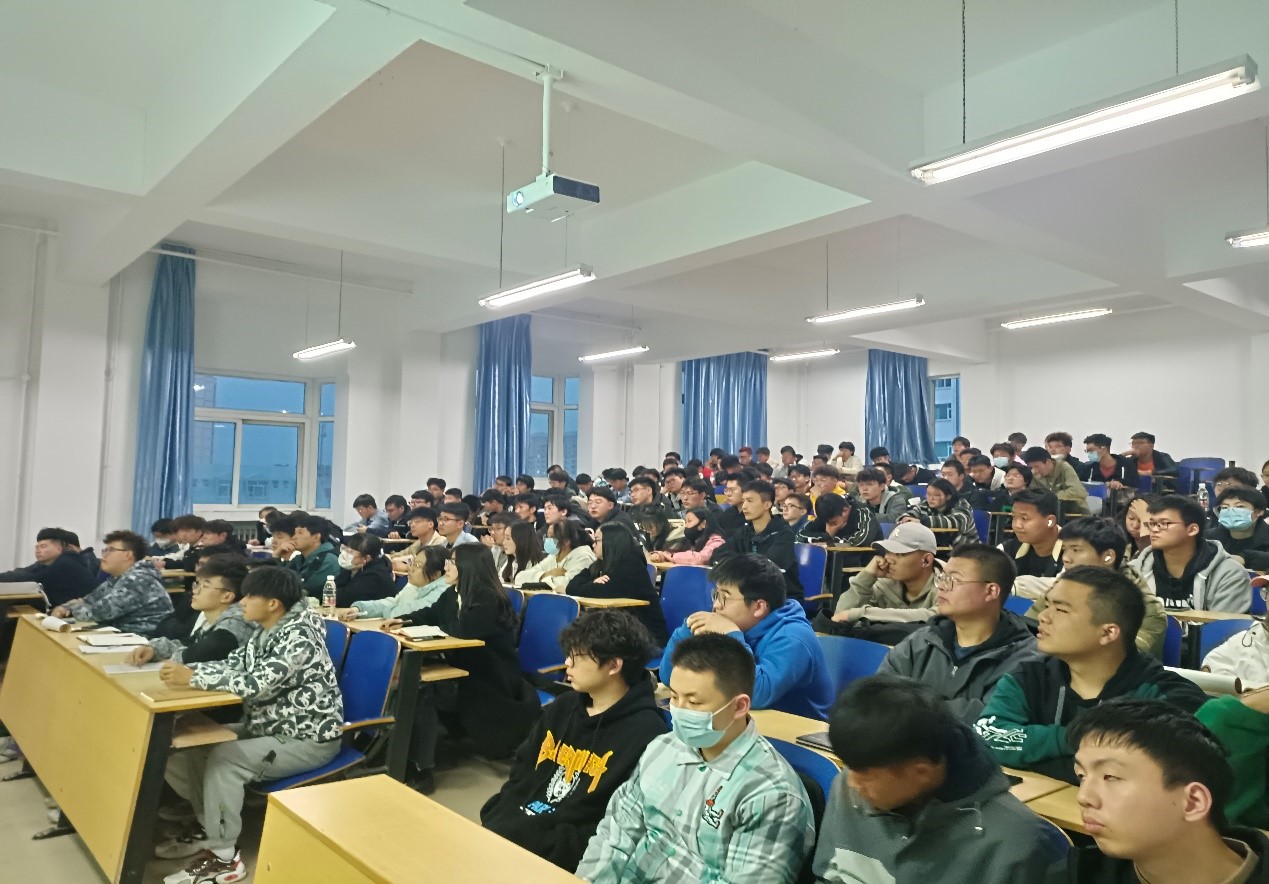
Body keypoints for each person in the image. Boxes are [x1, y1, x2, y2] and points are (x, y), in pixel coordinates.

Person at [577, 632, 815, 884]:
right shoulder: (663, 747)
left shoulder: (772, 795)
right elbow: (616, 834)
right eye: (674, 697)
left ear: (739, 706)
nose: (679, 710)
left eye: (694, 702)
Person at [155, 566, 343, 883]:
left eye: (249, 596)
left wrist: (194, 678)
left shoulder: (300, 637)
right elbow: (236, 663)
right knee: (195, 744)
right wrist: (190, 669)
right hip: (270, 727)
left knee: (225, 759)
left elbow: (257, 683)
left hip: (307, 738)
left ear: (273, 603)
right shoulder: (267, 629)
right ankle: (213, 831)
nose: (241, 602)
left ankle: (226, 860)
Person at [815, 675, 1060, 884]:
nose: (852, 783)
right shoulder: (848, 787)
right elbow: (828, 876)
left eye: (867, 776)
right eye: (849, 766)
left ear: (921, 772)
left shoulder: (1016, 843)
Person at [974, 566, 1207, 783]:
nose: (1043, 617)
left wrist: (1037, 757)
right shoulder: (1029, 676)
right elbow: (987, 738)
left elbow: (1154, 773)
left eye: (1061, 610)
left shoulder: (1167, 697)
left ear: (1107, 633)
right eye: (1047, 605)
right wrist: (1072, 739)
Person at [481, 611, 667, 870]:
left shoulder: (647, 732)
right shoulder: (563, 707)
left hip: (564, 859)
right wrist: (502, 814)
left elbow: (613, 823)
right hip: (512, 833)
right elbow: (522, 772)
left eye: (577, 657)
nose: (567, 663)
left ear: (614, 665)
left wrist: (543, 841)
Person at [1051, 698, 1269, 883]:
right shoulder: (1075, 876)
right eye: (1081, 775)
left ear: (1193, 802)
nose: (1084, 797)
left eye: (1110, 776)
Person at [390, 544, 540, 793]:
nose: (446, 566)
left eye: (452, 562)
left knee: (423, 689)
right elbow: (430, 614)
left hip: (491, 680)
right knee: (417, 681)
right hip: (465, 670)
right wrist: (404, 621)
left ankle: (421, 767)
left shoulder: (489, 599)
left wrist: (432, 629)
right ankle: (404, 753)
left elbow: (463, 631)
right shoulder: (453, 593)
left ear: (468, 567)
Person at [876, 544, 1037, 723]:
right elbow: (880, 697)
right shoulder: (921, 641)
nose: (942, 587)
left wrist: (910, 708)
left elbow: (989, 720)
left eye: (953, 580)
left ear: (991, 591)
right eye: (942, 578)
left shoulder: (1024, 658)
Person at [661, 554, 832, 719]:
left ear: (759, 607)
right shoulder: (734, 624)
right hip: (745, 721)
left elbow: (757, 694)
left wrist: (732, 638)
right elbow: (670, 677)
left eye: (724, 597)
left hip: (798, 730)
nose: (716, 605)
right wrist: (687, 630)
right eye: (716, 595)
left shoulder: (794, 637)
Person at [1015, 517, 1168, 658]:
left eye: (1076, 550)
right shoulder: (1056, 592)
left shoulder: (1147, 610)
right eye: (1065, 549)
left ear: (1108, 556)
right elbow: (1025, 633)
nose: (1066, 558)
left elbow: (1118, 658)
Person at [126, 553, 254, 667]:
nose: (195, 591)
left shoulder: (235, 624)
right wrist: (154, 650)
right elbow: (190, 643)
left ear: (227, 596)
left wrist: (173, 660)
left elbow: (200, 652)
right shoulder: (212, 619)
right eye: (197, 584)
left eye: (205, 586)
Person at [1136, 494, 1252, 612]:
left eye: (1164, 523)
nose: (1154, 530)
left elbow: (1224, 623)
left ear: (1192, 530)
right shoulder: (1135, 570)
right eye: (1152, 524)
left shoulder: (1229, 574)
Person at [50, 530, 172, 635]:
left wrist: (68, 610)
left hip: (143, 641)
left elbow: (98, 612)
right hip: (120, 635)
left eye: (110, 550)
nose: (104, 555)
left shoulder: (139, 579)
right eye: (104, 550)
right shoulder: (117, 577)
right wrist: (65, 607)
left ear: (128, 555)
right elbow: (88, 600)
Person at [568, 524, 668, 646]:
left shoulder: (631, 566)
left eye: (597, 541)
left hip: (647, 639)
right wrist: (592, 583)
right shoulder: (600, 564)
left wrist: (590, 585)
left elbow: (603, 592)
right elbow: (571, 586)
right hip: (621, 634)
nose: (593, 545)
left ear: (611, 542)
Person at [828, 522, 942, 627]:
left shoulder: (947, 585)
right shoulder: (885, 584)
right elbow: (840, 616)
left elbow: (936, 617)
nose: (888, 558)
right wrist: (866, 576)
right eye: (888, 551)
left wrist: (862, 613)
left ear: (926, 560)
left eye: (899, 554)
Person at [716, 480, 804, 598]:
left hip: (781, 597)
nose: (744, 506)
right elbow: (718, 554)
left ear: (767, 505)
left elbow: (766, 567)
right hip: (749, 594)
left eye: (750, 501)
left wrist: (736, 561)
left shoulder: (784, 534)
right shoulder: (745, 531)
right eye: (743, 501)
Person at [341, 545, 452, 622]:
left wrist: (389, 611)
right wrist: (359, 609)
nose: (410, 569)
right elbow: (394, 602)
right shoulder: (415, 585)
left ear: (435, 574)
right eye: (412, 563)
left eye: (417, 565)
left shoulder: (444, 591)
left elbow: (409, 612)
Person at [0, 527, 98, 607]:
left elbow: (34, 579)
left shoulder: (66, 562)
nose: (38, 550)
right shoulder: (47, 563)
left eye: (43, 546)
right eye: (37, 547)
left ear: (59, 548)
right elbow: (24, 572)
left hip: (84, 612)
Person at [515, 518, 598, 591]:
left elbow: (568, 584)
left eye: (552, 537)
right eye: (547, 537)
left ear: (566, 541)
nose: (548, 540)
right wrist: (546, 574)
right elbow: (520, 577)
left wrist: (538, 579)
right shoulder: (553, 556)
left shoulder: (583, 557)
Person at [999, 490, 1065, 578]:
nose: (1016, 525)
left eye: (1024, 518)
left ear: (1050, 521)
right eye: (1014, 517)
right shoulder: (1006, 550)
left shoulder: (1074, 553)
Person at [900, 477, 979, 549]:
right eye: (928, 494)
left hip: (965, 549)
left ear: (948, 496)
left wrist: (923, 521)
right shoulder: (925, 504)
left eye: (936, 495)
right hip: (936, 548)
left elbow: (958, 522)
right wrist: (906, 519)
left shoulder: (961, 504)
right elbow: (911, 513)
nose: (931, 498)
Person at [797, 489, 881, 552]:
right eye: (827, 523)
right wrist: (827, 535)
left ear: (845, 511)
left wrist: (830, 543)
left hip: (864, 561)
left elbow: (860, 541)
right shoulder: (827, 514)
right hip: (833, 560)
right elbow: (800, 536)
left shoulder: (863, 512)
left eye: (833, 522)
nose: (830, 526)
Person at [1208, 487, 1269, 569]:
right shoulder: (1208, 538)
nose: (1231, 511)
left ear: (1258, 511)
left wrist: (1245, 558)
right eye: (1225, 507)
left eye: (1240, 506)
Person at [332, 532, 395, 609]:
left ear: (367, 558)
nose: (345, 554)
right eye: (345, 549)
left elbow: (344, 598)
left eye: (350, 552)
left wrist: (326, 595)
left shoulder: (375, 575)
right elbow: (332, 589)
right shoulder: (352, 568)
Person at [1023, 446, 1090, 517]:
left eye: (1037, 466)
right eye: (1031, 467)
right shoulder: (1034, 475)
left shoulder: (1064, 468)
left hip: (1076, 513)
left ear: (1048, 462)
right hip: (1049, 514)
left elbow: (1078, 491)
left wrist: (1052, 497)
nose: (1034, 471)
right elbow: (1034, 495)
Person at [286, 515, 341, 598]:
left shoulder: (327, 560)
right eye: (295, 533)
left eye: (300, 533)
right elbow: (280, 578)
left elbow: (300, 589)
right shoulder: (301, 557)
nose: (294, 537)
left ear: (316, 537)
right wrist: (278, 557)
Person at [650, 507, 727, 566]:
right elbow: (672, 551)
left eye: (689, 521)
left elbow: (700, 559)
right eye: (685, 522)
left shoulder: (717, 542)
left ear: (703, 523)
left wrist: (671, 556)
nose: (686, 526)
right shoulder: (691, 540)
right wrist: (660, 555)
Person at [389, 506, 445, 574]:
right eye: (410, 522)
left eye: (417, 522)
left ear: (430, 524)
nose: (412, 525)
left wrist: (407, 567)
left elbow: (428, 567)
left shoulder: (441, 542)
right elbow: (400, 554)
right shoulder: (418, 543)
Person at [501, 520, 547, 584]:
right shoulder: (510, 562)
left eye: (508, 538)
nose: (504, 543)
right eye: (504, 538)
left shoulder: (535, 567)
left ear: (521, 540)